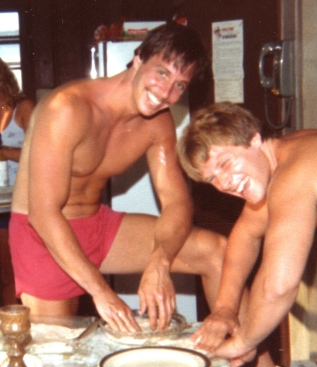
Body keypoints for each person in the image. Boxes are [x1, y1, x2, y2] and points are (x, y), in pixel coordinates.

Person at [9, 22, 226, 333]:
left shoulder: (156, 126)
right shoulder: (68, 108)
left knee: (216, 251)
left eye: (180, 85)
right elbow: (43, 215)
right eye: (162, 72)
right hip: (42, 234)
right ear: (138, 58)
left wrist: (160, 261)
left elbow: (177, 202)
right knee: (59, 352)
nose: (166, 93)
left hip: (97, 226)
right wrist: (103, 292)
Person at [177, 101, 317, 367]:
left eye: (226, 164)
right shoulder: (283, 153)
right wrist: (226, 308)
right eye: (213, 178)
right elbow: (244, 237)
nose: (224, 183)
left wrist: (244, 341)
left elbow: (279, 286)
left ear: (253, 140)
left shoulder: (293, 174)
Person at [0, 58, 35, 306]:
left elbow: (44, 155)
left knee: (13, 277)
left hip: (19, 205)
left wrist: (5, 152)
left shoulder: (24, 108)